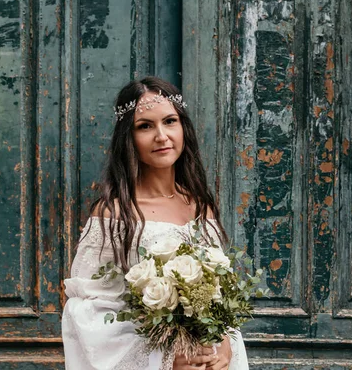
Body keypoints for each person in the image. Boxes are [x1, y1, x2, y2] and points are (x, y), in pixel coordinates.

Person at [62, 77, 249, 370]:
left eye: (170, 121)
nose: (161, 136)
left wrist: (224, 343)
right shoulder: (114, 214)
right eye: (145, 126)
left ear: (182, 127)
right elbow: (87, 311)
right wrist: (163, 360)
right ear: (129, 137)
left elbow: (219, 297)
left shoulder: (202, 207)